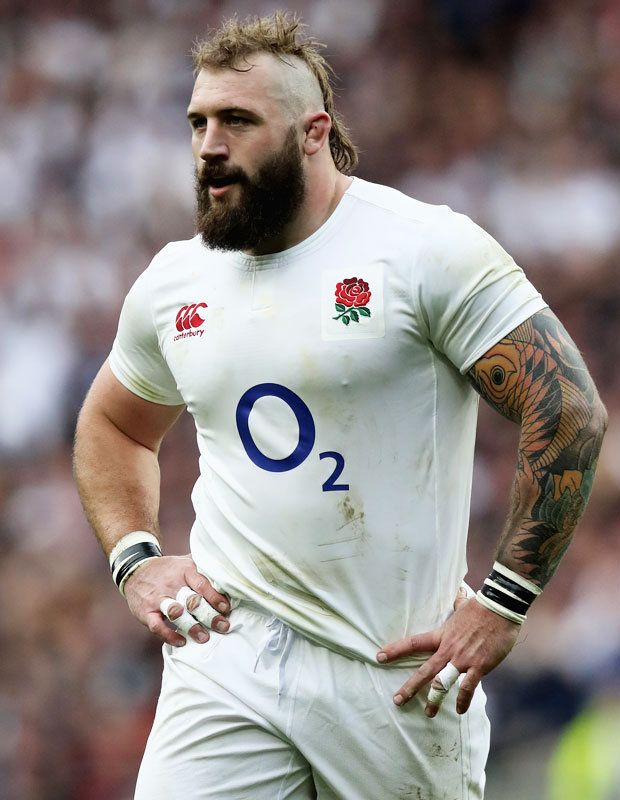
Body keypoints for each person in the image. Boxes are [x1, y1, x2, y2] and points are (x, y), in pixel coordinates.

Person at [73, 11, 607, 799]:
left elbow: (566, 408)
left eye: (238, 122)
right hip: (227, 661)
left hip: (393, 675)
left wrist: (505, 603)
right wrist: (137, 561)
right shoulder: (174, 281)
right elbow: (113, 424)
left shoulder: (423, 248)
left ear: (312, 131)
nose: (209, 146)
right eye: (198, 123)